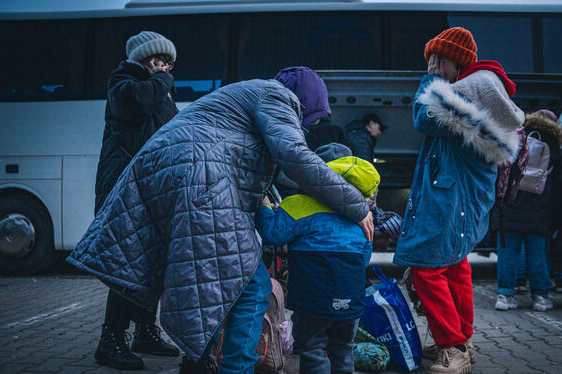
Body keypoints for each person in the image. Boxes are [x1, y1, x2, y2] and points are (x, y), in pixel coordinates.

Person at [67, 66, 374, 374]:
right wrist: (356, 207)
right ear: (305, 100)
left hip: (172, 175)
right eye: (314, 116)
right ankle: (235, 369)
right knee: (251, 288)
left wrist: (319, 195)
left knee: (213, 281)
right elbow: (294, 157)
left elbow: (282, 169)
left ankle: (197, 362)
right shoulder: (278, 96)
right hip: (205, 183)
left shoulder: (249, 96)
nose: (311, 125)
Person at [394, 27, 524, 374]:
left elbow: (423, 118)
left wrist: (429, 80)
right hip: (459, 196)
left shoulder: (468, 89)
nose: (433, 66)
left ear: (454, 61)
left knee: (426, 268)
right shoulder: (478, 88)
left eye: (437, 60)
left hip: (452, 198)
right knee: (453, 266)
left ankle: (452, 346)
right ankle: (462, 341)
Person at [91, 31, 180, 370]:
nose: (167, 66)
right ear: (145, 58)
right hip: (122, 188)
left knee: (150, 261)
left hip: (148, 187)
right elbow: (140, 101)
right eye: (160, 59)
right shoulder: (124, 82)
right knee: (125, 263)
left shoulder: (158, 88)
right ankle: (110, 340)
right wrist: (163, 79)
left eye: (170, 62)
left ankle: (144, 330)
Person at [255, 154, 379, 374]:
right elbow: (364, 258)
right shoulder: (363, 217)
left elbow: (273, 234)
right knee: (343, 349)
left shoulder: (298, 205)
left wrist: (265, 207)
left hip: (311, 299)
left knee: (312, 349)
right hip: (351, 299)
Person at [495, 111, 562, 312]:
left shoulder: (518, 137)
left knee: (508, 253)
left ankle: (504, 294)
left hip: (511, 204)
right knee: (538, 254)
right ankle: (541, 297)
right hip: (540, 209)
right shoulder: (554, 145)